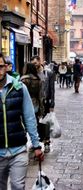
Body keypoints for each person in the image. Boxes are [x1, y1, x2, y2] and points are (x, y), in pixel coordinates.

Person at [0, 53, 44, 189]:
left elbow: (29, 117)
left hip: (18, 149)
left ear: (6, 67)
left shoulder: (19, 87)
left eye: (0, 66)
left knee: (18, 186)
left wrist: (36, 145)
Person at [31, 55, 55, 153]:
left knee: (46, 122)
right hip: (35, 102)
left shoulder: (48, 73)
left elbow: (52, 89)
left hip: (45, 101)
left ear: (40, 62)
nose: (34, 65)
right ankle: (37, 141)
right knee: (36, 122)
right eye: (32, 64)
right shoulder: (32, 74)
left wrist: (52, 103)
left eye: (35, 63)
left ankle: (47, 141)